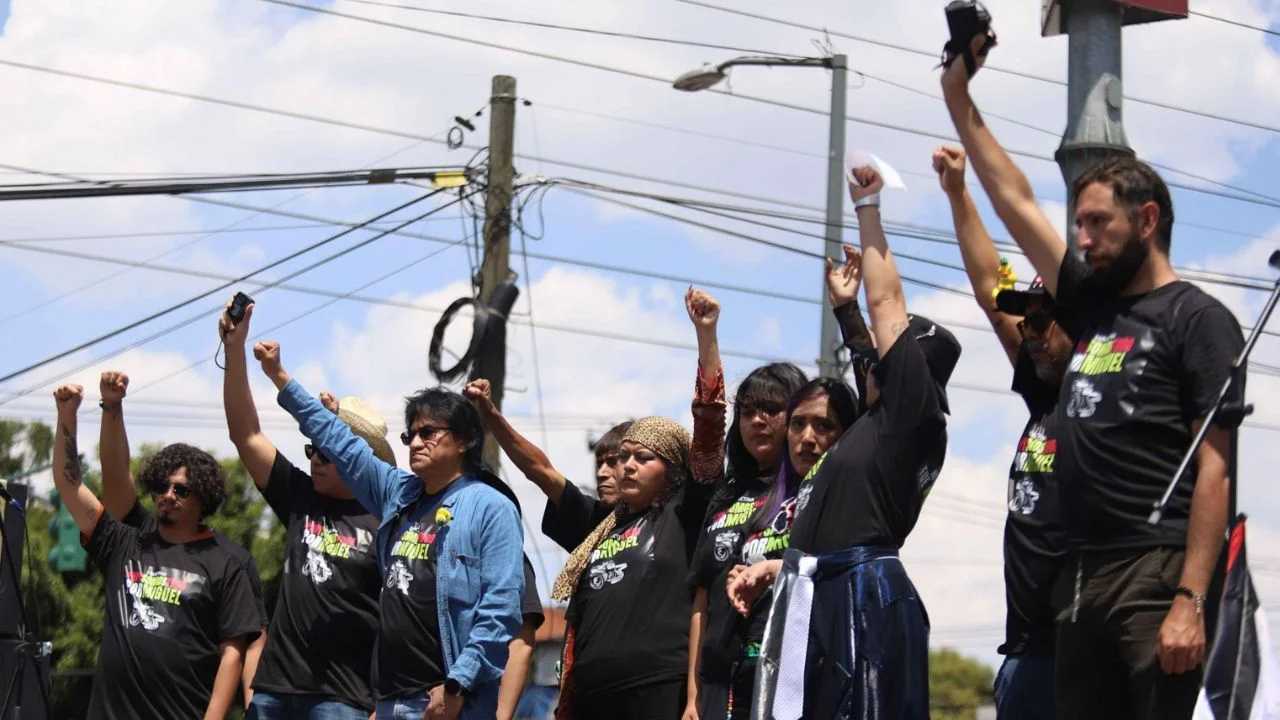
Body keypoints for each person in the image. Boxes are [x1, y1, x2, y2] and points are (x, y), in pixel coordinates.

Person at [942, 36, 1243, 719]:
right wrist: (958, 98)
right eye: (1078, 224)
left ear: (1147, 219)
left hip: (1155, 572)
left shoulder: (1198, 320)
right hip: (1080, 578)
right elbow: (1016, 202)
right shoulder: (1090, 307)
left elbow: (1216, 469)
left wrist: (1191, 600)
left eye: (1098, 222)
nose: (1082, 239)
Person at [732, 166, 961, 720]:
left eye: (887, 354)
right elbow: (865, 348)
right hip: (827, 586)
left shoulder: (910, 416)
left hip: (863, 594)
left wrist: (868, 208)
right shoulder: (877, 423)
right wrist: (844, 309)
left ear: (909, 369)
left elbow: (888, 304)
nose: (873, 358)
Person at [257, 340, 525, 720]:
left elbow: (500, 611)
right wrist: (279, 375)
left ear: (464, 440)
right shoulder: (398, 494)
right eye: (409, 435)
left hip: (447, 704)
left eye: (428, 432)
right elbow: (341, 444)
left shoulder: (490, 508)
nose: (415, 442)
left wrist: (458, 685)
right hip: (388, 701)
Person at [935, 144, 1072, 719]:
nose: (1030, 332)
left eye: (1044, 320)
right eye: (1027, 321)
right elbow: (994, 293)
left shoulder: (1100, 399)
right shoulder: (1042, 390)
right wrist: (958, 193)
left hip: (1085, 652)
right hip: (1026, 653)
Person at [212, 300, 384, 719]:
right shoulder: (301, 496)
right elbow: (246, 434)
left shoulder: (387, 518)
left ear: (357, 459)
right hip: (273, 693)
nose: (316, 460)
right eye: (312, 450)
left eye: (328, 453)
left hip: (345, 701)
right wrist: (235, 349)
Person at [51, 384, 263, 720]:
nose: (168, 494)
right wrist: (67, 415)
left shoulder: (226, 562)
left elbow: (233, 654)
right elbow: (69, 483)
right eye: (162, 486)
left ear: (203, 498)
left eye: (181, 489)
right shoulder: (122, 543)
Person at [680, 286, 808, 720]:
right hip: (718, 686)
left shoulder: (814, 489)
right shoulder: (723, 494)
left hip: (784, 679)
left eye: (771, 409)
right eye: (749, 411)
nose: (757, 420)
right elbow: (701, 603)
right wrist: (693, 697)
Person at [550, 416, 713, 719]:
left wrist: (707, 403)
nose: (628, 466)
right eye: (623, 457)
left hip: (658, 688)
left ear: (673, 466)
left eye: (643, 457)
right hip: (590, 696)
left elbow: (707, 450)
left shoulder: (682, 515)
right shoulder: (603, 531)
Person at [464, 379, 630, 553]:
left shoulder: (652, 524)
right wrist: (489, 413)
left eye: (613, 463)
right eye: (599, 464)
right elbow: (540, 469)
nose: (601, 473)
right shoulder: (592, 519)